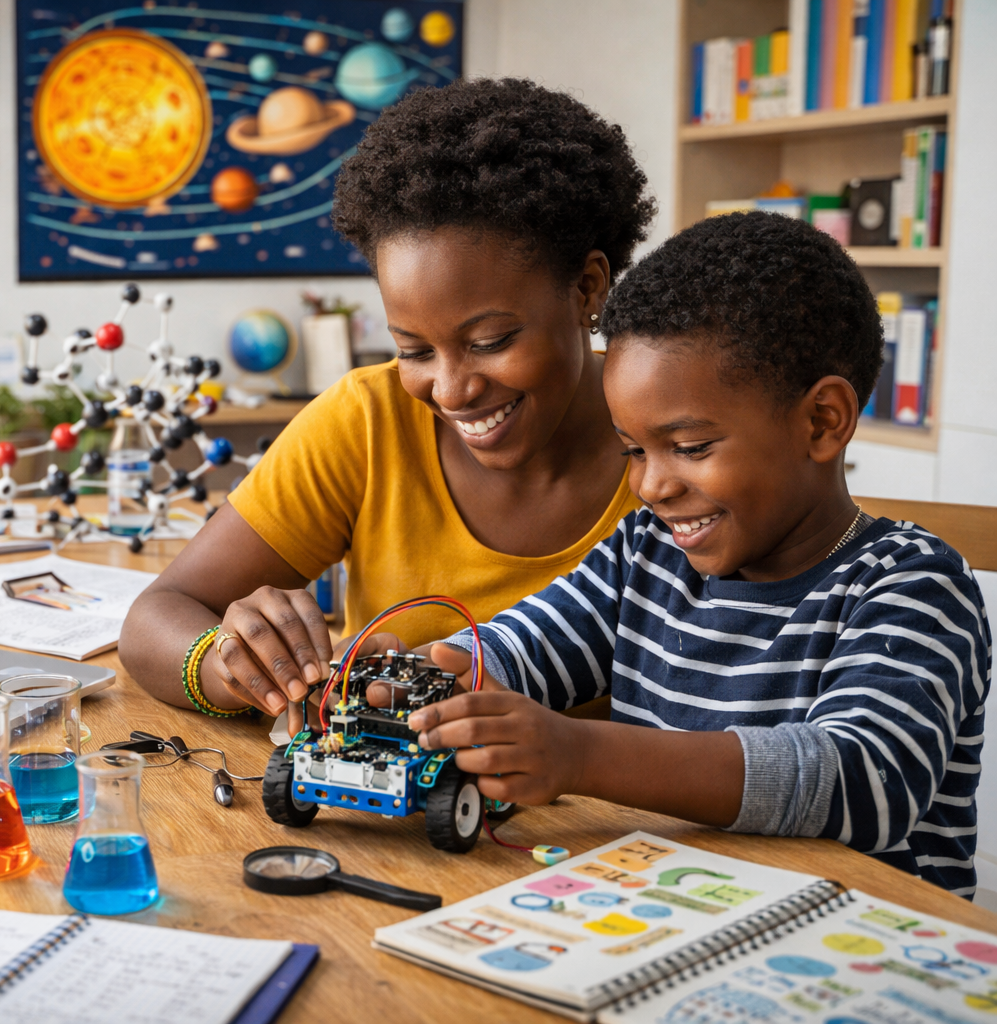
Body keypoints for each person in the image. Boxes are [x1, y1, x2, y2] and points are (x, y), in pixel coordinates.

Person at [399, 211, 990, 895]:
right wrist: (392, 684)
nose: (651, 484)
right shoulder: (645, 556)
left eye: (691, 447)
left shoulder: (911, 583)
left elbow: (862, 782)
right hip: (671, 916)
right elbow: (503, 655)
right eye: (633, 449)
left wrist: (579, 752)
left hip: (868, 959)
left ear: (822, 421)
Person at [119, 79, 655, 719]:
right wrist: (236, 664)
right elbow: (156, 617)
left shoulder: (680, 445)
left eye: (492, 340)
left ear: (588, 288)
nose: (453, 390)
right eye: (414, 350)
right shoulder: (367, 422)